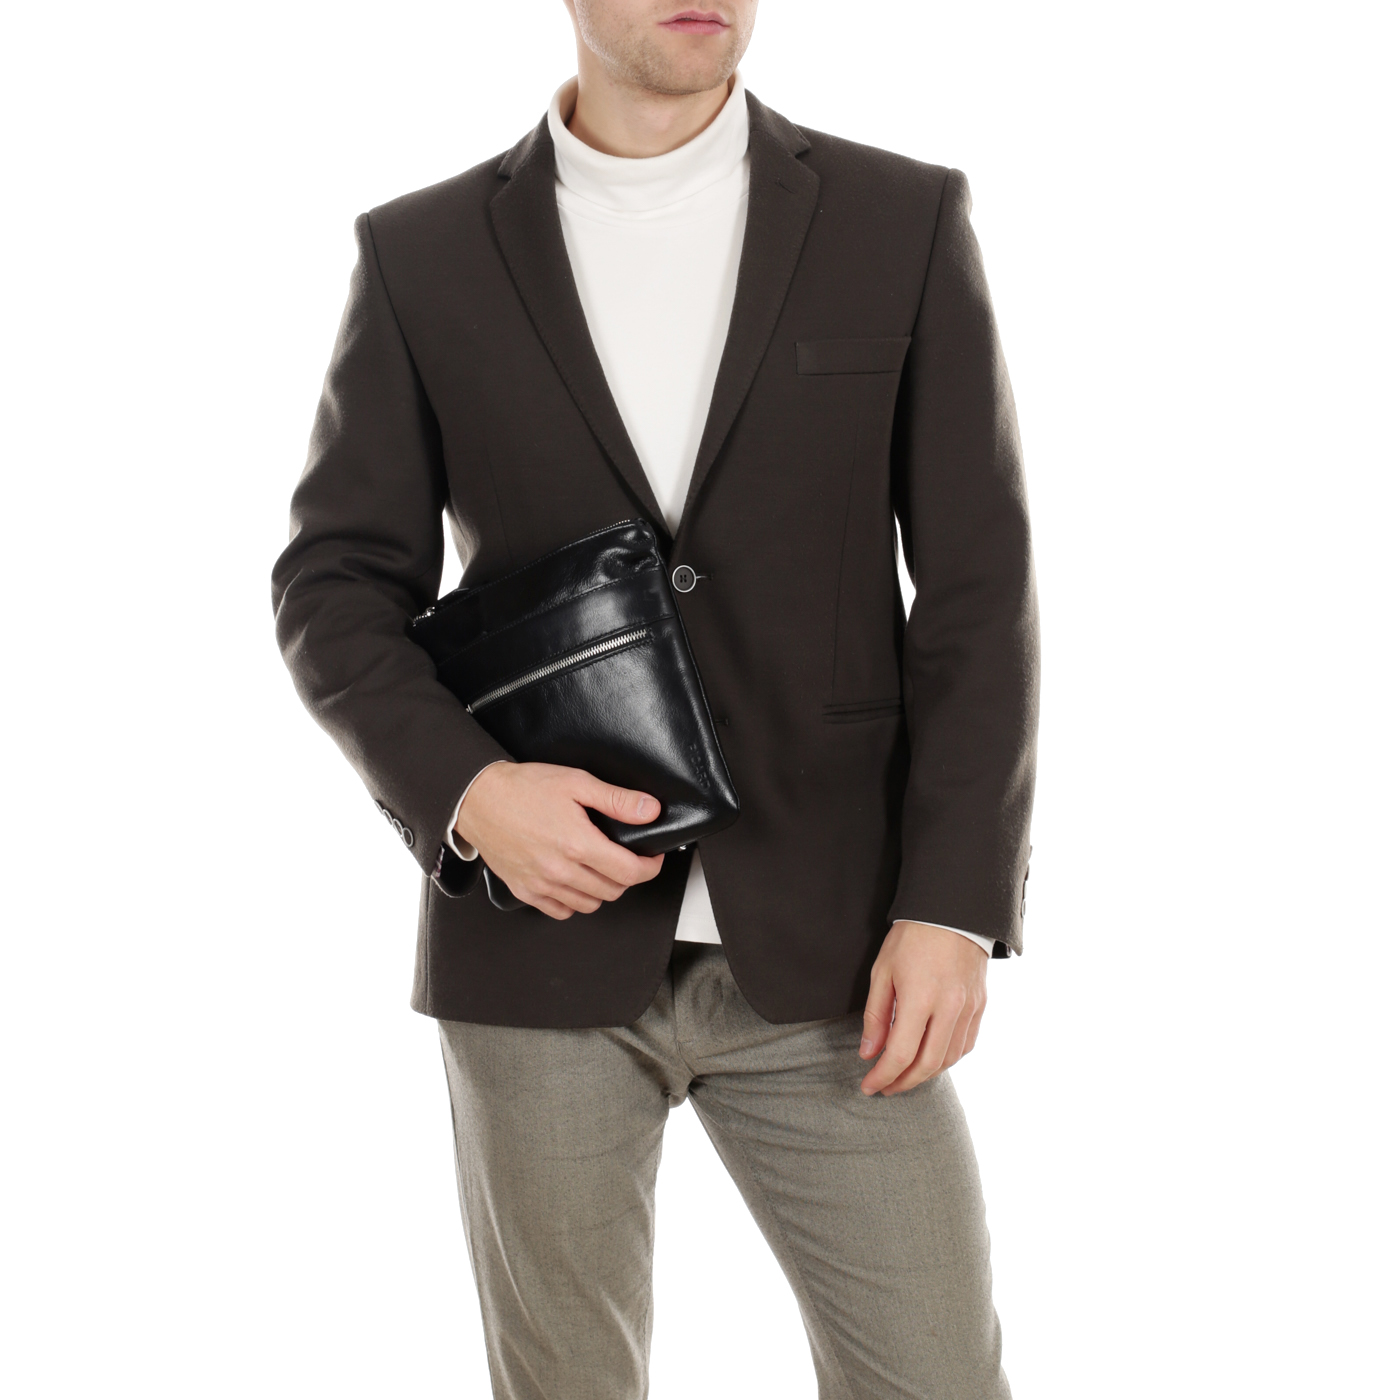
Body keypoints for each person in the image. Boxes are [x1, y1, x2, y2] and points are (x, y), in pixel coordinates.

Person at [272, 2, 1038, 1395]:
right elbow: (333, 584)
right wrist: (469, 793)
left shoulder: (901, 218)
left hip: (837, 949)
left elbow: (978, 595)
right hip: (540, 943)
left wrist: (954, 903)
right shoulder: (423, 252)